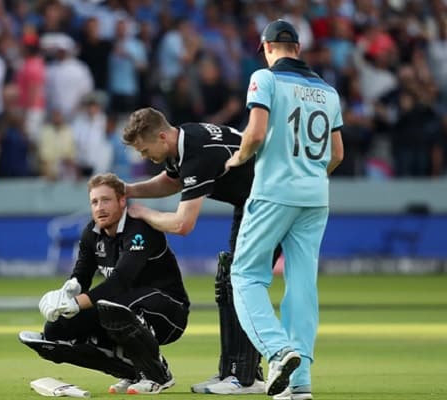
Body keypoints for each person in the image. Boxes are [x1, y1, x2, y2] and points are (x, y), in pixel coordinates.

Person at [224, 20, 344, 400]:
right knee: (303, 285)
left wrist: (238, 158)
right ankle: (300, 382)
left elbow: (256, 133)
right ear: (298, 48)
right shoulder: (328, 91)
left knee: (244, 275)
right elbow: (337, 154)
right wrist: (309, 176)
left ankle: (278, 351)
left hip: (274, 191)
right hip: (316, 196)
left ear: (267, 47)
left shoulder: (265, 78)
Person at [122, 107, 277, 395]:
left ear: (161, 136)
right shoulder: (185, 137)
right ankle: (234, 371)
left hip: (270, 204)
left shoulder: (197, 154)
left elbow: (182, 224)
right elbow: (172, 181)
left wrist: (143, 213)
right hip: (253, 203)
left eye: (144, 150)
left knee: (242, 282)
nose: (144, 157)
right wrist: (129, 190)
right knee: (229, 279)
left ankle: (245, 377)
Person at [19, 173, 189, 395]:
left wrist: (77, 303)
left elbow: (120, 281)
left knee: (114, 308)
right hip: (121, 308)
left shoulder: (140, 230)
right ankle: (131, 370)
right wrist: (66, 293)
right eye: (94, 202)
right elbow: (81, 275)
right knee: (56, 330)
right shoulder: (92, 233)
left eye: (106, 200)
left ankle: (156, 374)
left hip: (169, 312)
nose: (100, 207)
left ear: (122, 201)